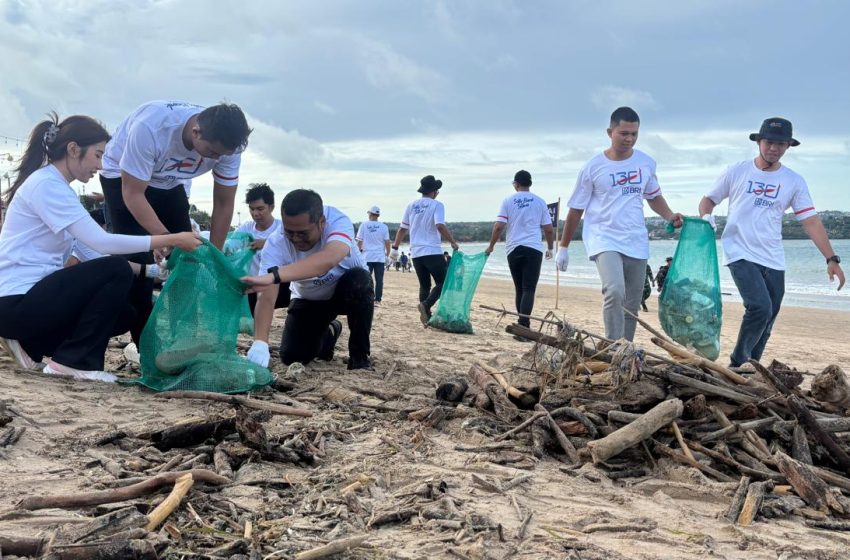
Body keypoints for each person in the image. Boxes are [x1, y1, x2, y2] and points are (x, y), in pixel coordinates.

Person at [0, 113, 201, 381]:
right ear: (73, 149)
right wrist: (171, 238)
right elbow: (103, 242)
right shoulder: (46, 185)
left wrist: (154, 271)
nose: (101, 165)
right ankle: (74, 362)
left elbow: (94, 255)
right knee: (116, 270)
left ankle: (30, 345)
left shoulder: (59, 188)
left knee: (125, 313)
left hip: (32, 304)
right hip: (16, 302)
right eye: (98, 155)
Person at [99, 100, 251, 344]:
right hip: (122, 178)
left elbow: (224, 203)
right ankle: (145, 346)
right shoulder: (151, 129)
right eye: (213, 152)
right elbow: (133, 194)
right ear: (196, 132)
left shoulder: (228, 148)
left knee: (189, 259)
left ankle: (182, 340)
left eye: (223, 155)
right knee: (140, 262)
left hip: (171, 181)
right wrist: (164, 239)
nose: (217, 158)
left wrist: (213, 254)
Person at [699, 117, 845, 367]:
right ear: (758, 142)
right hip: (739, 251)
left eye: (780, 144)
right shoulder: (737, 171)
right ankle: (737, 364)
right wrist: (706, 217)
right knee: (759, 307)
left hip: (773, 257)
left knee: (769, 318)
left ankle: (751, 367)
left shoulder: (793, 181)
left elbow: (811, 221)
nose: (774, 148)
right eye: (769, 142)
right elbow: (708, 200)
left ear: (788, 146)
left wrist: (831, 259)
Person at [556, 107, 683, 341]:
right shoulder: (593, 167)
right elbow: (576, 209)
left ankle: (625, 349)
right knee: (614, 291)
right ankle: (613, 345)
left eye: (634, 134)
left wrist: (669, 215)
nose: (629, 139)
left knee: (632, 303)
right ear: (610, 132)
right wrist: (563, 247)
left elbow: (653, 196)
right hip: (603, 237)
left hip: (635, 239)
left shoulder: (646, 163)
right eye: (624, 133)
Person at [243, 189, 373, 370]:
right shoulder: (275, 242)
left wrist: (275, 276)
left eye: (303, 233)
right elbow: (266, 297)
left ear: (321, 222)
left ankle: (359, 357)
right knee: (292, 356)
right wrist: (260, 343)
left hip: (346, 292)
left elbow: (329, 258)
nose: (296, 239)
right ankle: (330, 332)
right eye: (289, 232)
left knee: (360, 280)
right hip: (310, 298)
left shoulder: (337, 221)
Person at [485, 170, 554, 336]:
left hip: (513, 248)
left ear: (516, 184)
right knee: (529, 288)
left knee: (519, 289)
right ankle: (524, 326)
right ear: (530, 183)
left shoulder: (508, 201)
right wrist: (550, 248)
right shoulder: (540, 201)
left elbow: (499, 226)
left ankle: (522, 325)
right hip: (533, 248)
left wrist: (491, 245)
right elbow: (548, 229)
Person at [391, 175, 459, 325]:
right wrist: (452, 242)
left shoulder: (411, 205)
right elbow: (439, 225)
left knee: (425, 285)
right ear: (434, 191)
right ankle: (426, 305)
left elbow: (402, 229)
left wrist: (395, 248)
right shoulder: (437, 205)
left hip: (416, 253)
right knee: (444, 282)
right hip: (431, 251)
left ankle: (426, 317)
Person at [235, 183, 285, 315]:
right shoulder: (246, 228)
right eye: (252, 209)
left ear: (271, 207)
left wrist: (267, 243)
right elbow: (232, 244)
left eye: (260, 209)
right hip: (254, 285)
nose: (255, 214)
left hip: (280, 284)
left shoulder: (282, 228)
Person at [356, 206, 390, 304]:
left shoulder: (364, 225)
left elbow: (359, 241)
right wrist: (387, 255)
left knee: (366, 278)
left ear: (370, 214)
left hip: (367, 256)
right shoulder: (384, 227)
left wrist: (357, 253)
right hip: (379, 257)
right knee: (379, 280)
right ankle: (378, 299)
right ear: (378, 215)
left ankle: (366, 297)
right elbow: (387, 242)